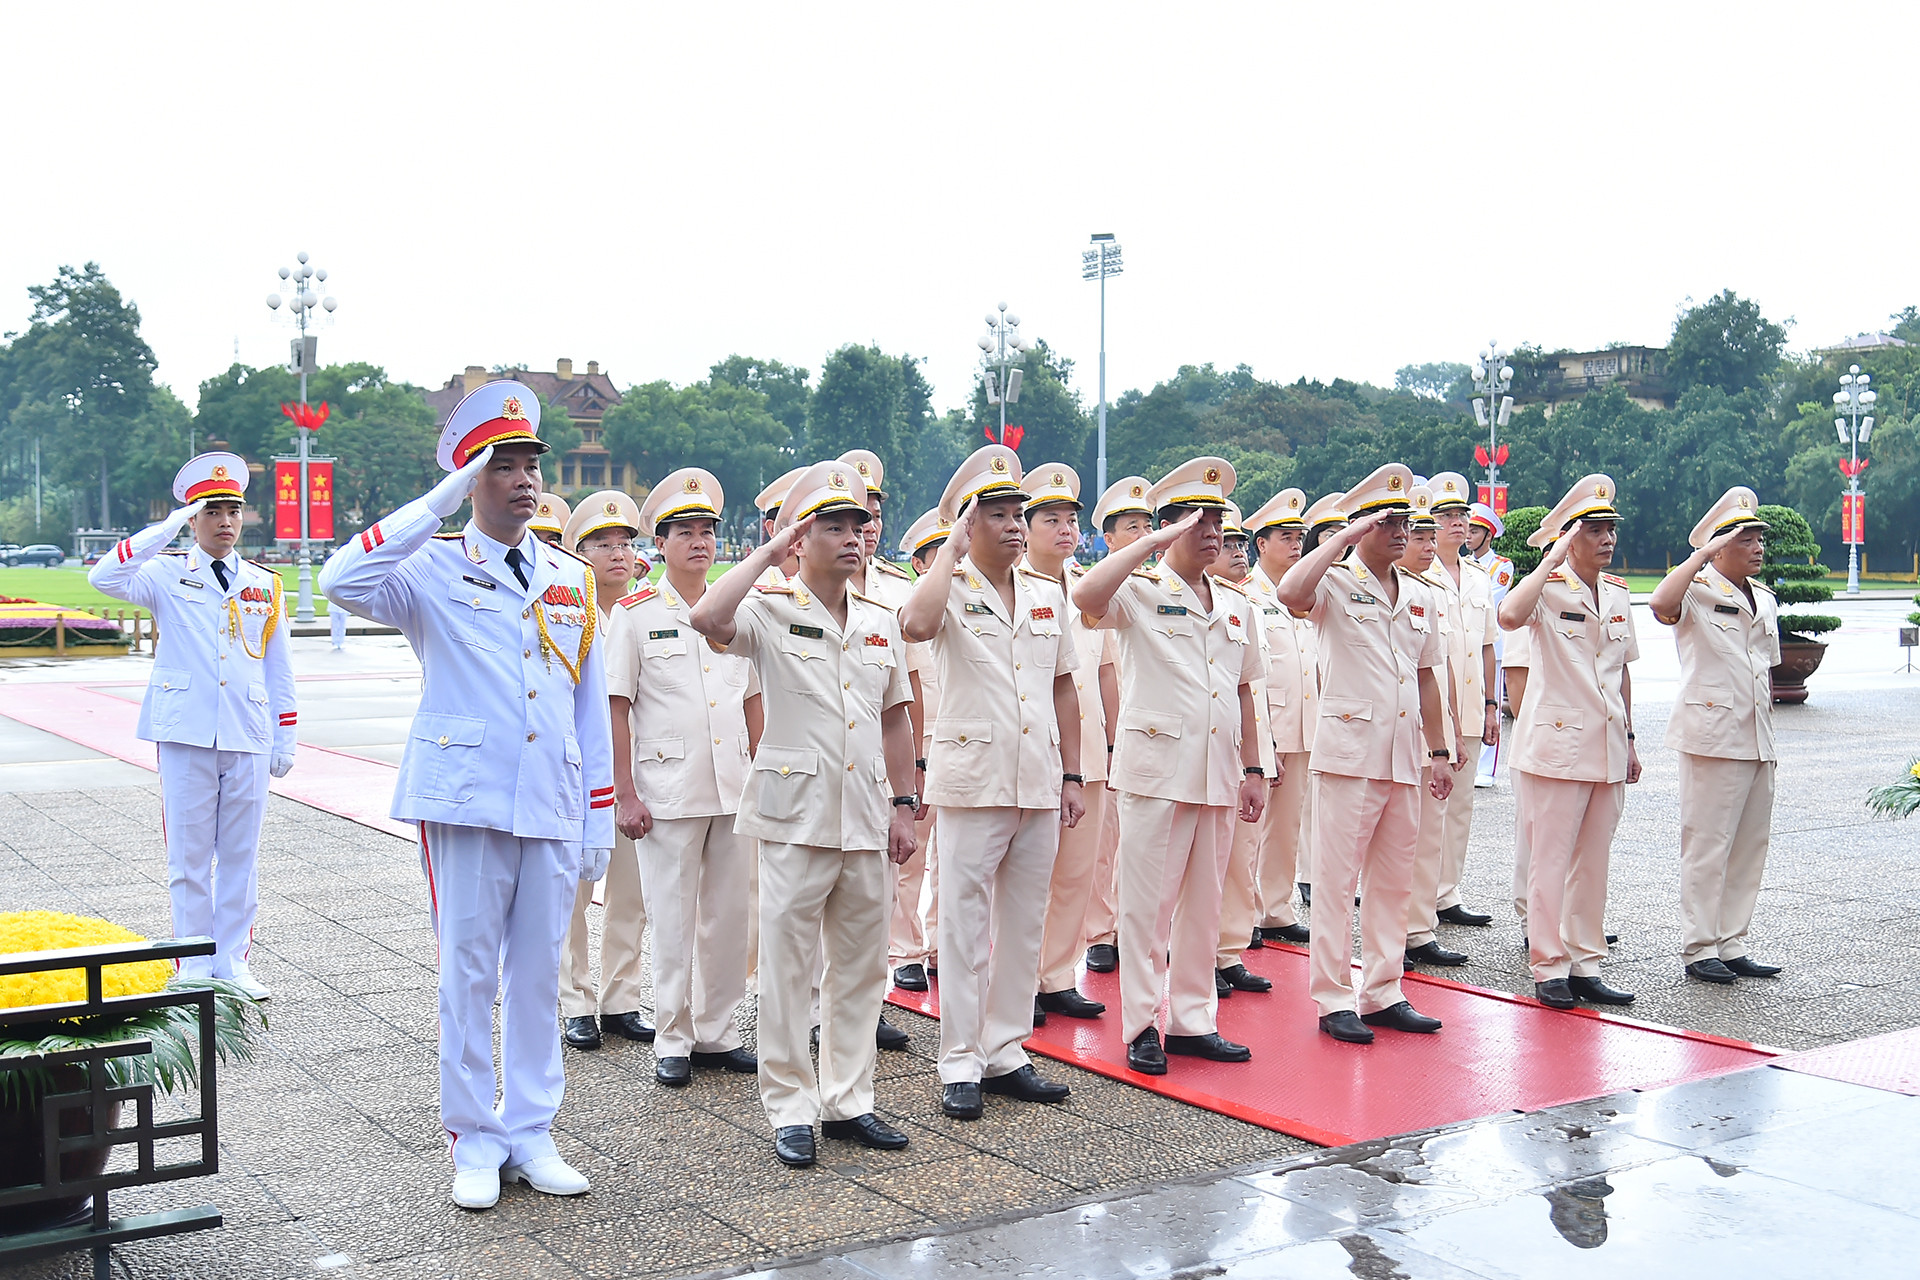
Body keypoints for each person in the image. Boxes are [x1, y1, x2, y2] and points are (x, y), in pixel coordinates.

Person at [318, 380, 611, 1210]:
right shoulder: (431, 569)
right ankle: (473, 1139)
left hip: (549, 801)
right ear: (469, 478)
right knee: (468, 974)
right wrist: (439, 499)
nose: (523, 480)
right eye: (501, 466)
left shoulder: (569, 577)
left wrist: (596, 812)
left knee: (540, 976)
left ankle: (531, 1129)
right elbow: (342, 578)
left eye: (529, 466)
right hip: (465, 799)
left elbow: (586, 702)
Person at [688, 459, 919, 1169]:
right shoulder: (770, 608)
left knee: (858, 970)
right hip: (795, 816)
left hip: (865, 815)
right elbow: (706, 616)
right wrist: (766, 550)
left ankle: (849, 1101)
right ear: (801, 536)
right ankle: (790, 1107)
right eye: (833, 525)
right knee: (789, 972)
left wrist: (906, 805)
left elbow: (897, 719)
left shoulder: (882, 621)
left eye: (858, 523)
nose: (853, 535)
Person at [900, 446, 1083, 1118]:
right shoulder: (949, 588)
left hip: (1037, 777)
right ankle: (960, 1061)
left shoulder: (1044, 593)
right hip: (973, 781)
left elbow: (1064, 686)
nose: (1013, 526)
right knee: (964, 926)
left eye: (1017, 515)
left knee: (1023, 923)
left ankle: (1006, 1050)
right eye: (997, 516)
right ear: (967, 526)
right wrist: (948, 550)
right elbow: (915, 625)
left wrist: (1073, 773)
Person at [1074, 458, 1265, 1076]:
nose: (1215, 532)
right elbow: (1085, 595)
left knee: (1205, 905)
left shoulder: (1236, 604)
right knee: (1146, 908)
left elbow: (1243, 690)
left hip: (1216, 770)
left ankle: (1192, 1021)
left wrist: (1255, 767)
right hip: (1156, 771)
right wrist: (1154, 542)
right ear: (1171, 525)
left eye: (1220, 521)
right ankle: (1140, 1026)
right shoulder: (1140, 589)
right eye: (1200, 520)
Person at [89, 452, 296, 999]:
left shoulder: (264, 584)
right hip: (185, 729)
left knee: (240, 856)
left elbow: (278, 666)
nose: (226, 521)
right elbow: (104, 574)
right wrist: (168, 527)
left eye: (233, 510)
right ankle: (193, 961)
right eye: (212, 511)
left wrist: (286, 734)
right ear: (194, 519)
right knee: (187, 855)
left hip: (247, 730)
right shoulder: (163, 573)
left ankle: (233, 961)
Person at [1276, 464, 1453, 1045]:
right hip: (1350, 754)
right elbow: (1290, 592)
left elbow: (1427, 676)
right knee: (1335, 880)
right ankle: (1332, 997)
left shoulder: (1421, 595)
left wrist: (1440, 749)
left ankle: (1384, 989)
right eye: (1389, 520)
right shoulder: (1334, 581)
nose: (1401, 530)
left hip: (1403, 755)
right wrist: (1342, 539)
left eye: (1407, 520)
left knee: (1394, 881)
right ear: (1360, 527)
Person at [606, 470, 760, 1085]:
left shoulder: (733, 610)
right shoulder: (636, 615)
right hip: (667, 790)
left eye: (707, 532)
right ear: (660, 544)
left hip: (733, 785)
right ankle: (672, 1037)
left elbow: (753, 698)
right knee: (670, 916)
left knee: (729, 915)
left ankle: (717, 1033)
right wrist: (625, 793)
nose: (699, 543)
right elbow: (616, 706)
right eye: (685, 533)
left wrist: (766, 771)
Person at [1497, 474, 1640, 1011]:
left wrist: (1630, 738)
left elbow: (1622, 671)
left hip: (1605, 742)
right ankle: (1548, 964)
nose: (1607, 539)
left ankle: (1586, 961)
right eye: (1595, 530)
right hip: (1555, 745)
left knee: (1593, 859)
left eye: (1611, 530)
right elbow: (1508, 615)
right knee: (1550, 859)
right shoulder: (1545, 590)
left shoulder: (1620, 594)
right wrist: (1550, 558)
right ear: (1570, 536)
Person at [1648, 487, 1782, 984]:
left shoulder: (1763, 597)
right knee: (1707, 845)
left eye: (1759, 538)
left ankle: (1731, 942)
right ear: (1720, 545)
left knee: (1749, 845)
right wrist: (1700, 554)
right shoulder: (1697, 589)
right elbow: (1660, 603)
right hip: (1710, 735)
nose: (1758, 546)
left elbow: (1765, 668)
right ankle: (1699, 946)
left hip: (1756, 737)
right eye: (1746, 538)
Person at [555, 491, 653, 1052]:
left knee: (630, 894)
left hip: (640, 771)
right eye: (601, 544)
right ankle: (575, 1000)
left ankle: (621, 999)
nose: (617, 554)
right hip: (580, 772)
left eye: (624, 544)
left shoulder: (646, 615)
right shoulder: (567, 611)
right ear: (579, 554)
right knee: (572, 891)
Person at [1024, 466, 1112, 1022]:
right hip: (1031, 748)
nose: (1064, 529)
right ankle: (1019, 979)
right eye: (1050, 519)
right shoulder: (1008, 586)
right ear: (1024, 527)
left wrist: (1110, 745)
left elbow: (1104, 674)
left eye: (1070, 520)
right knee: (1026, 876)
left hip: (1089, 749)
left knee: (1078, 871)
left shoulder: (1087, 588)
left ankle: (1057, 975)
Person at [837, 450, 915, 1052]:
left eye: (873, 514)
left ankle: (870, 1003)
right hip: (814, 772)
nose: (865, 526)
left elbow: (902, 698)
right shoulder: (786, 590)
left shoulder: (894, 590)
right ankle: (818, 1012)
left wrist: (906, 786)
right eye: (852, 514)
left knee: (878, 900)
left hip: (877, 771)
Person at [1079, 475, 1154, 976]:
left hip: (1152, 738)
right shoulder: (1096, 590)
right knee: (1102, 847)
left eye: (1148, 525)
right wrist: (1105, 741)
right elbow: (1102, 673)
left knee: (1142, 848)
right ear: (1109, 538)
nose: (1144, 535)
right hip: (1109, 738)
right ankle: (1099, 932)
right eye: (1132, 528)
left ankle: (1133, 928)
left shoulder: (1163, 587)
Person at [1397, 486, 1469, 971]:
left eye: (1429, 534)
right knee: (1397, 841)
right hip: (1389, 734)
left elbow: (1443, 673)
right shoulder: (1359, 587)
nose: (1428, 543)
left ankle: (1418, 928)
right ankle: (1397, 930)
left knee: (1429, 835)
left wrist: (1452, 734)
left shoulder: (1432, 591)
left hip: (1431, 731)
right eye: (1418, 535)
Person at [1209, 500, 1279, 998]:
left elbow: (1252, 689)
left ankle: (1228, 950)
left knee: (1242, 855)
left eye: (1238, 542)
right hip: (1190, 749)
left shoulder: (1252, 603)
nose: (1234, 550)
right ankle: (1195, 951)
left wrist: (1260, 760)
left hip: (1246, 744)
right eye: (1225, 542)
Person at [1424, 473, 1498, 931]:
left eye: (1461, 516)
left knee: (1461, 807)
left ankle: (1448, 892)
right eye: (1446, 516)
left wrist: (1491, 706)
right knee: (1429, 808)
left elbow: (1488, 645)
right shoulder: (1417, 575)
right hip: (1432, 711)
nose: (1456, 523)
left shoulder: (1477, 578)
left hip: (1470, 706)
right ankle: (1422, 896)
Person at [1241, 487, 1313, 947]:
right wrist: (1263, 743)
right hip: (1265, 729)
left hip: (1304, 726)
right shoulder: (1247, 594)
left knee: (1287, 828)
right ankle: (1243, 913)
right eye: (1284, 536)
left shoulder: (1305, 595)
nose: (1294, 545)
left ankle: (1277, 909)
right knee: (1251, 831)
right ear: (1261, 543)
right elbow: (1253, 678)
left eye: (1298, 537)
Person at [890, 508, 951, 993]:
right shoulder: (908, 605)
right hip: (921, 747)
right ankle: (907, 951)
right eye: (938, 556)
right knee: (912, 857)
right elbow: (906, 695)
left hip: (967, 746)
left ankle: (942, 945)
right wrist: (915, 764)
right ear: (918, 563)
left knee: (957, 861)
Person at [1468, 504, 1515, 789]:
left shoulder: (1501, 566)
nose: (1468, 536)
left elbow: (1489, 598)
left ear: (1489, 535)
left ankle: (1486, 767)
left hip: (1490, 646)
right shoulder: (1461, 563)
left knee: (1491, 705)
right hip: (1464, 643)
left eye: (1474, 531)